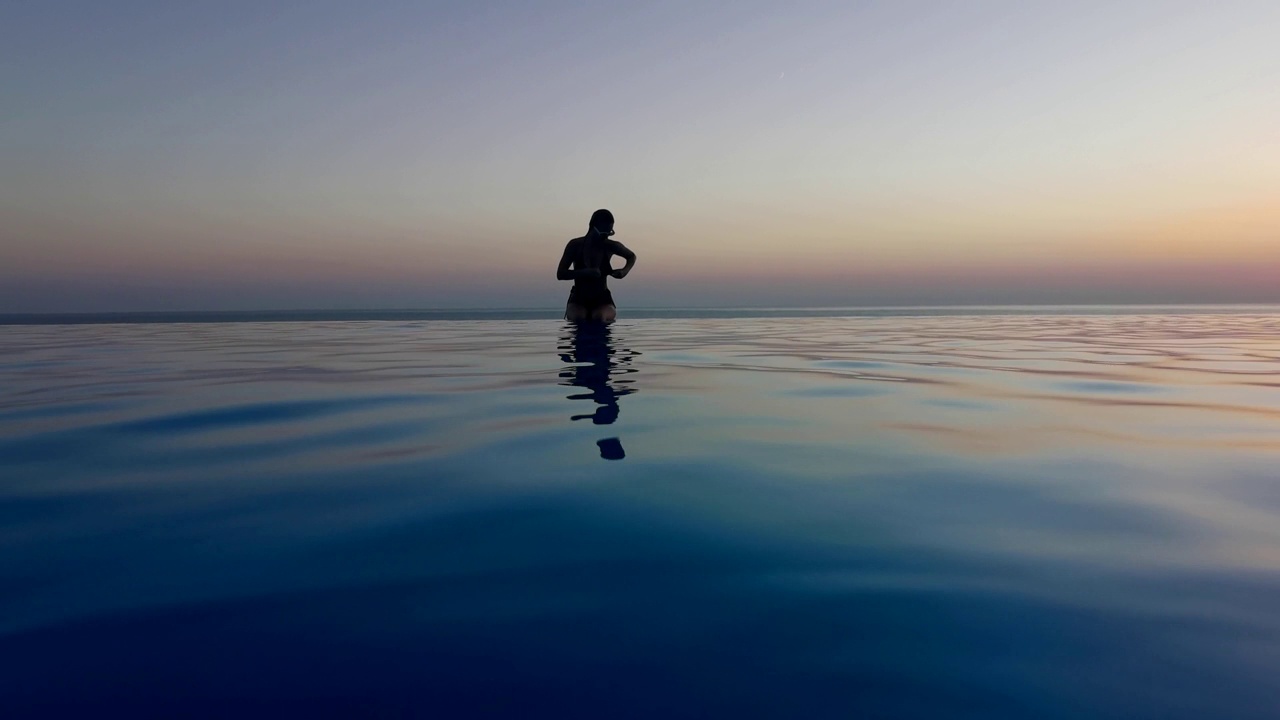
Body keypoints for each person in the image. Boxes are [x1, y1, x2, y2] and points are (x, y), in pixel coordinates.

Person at [556, 209, 636, 322]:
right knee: (579, 318)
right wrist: (585, 272)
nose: (607, 235)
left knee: (599, 317)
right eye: (605, 231)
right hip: (578, 298)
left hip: (602, 298)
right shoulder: (575, 245)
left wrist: (624, 271)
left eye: (610, 231)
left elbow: (631, 256)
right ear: (594, 226)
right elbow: (560, 274)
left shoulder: (611, 246)